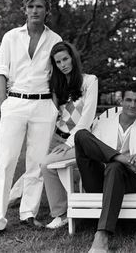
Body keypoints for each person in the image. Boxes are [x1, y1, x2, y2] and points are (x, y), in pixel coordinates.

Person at [0, 0, 62, 241]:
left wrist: (54, 106)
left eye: (39, 7)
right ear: (25, 9)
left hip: (43, 107)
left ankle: (28, 213)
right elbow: (1, 73)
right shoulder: (11, 37)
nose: (34, 11)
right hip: (15, 104)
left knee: (36, 164)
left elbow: (58, 76)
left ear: (46, 11)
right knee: (6, 162)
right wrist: (4, 104)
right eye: (30, 7)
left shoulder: (55, 39)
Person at [73, 83, 136, 252]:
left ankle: (102, 235)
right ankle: (123, 159)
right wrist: (125, 159)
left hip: (126, 181)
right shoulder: (104, 122)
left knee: (115, 167)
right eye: (128, 100)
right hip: (98, 178)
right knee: (81, 135)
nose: (132, 104)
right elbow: (92, 147)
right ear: (121, 101)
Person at [39, 41, 98, 229]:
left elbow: (87, 117)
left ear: (73, 58)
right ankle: (16, 198)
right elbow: (53, 113)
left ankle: (61, 213)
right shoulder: (56, 84)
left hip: (78, 140)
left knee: (46, 165)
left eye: (65, 59)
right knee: (36, 166)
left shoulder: (89, 81)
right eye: (58, 62)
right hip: (56, 137)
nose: (63, 64)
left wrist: (70, 142)